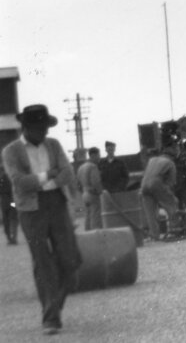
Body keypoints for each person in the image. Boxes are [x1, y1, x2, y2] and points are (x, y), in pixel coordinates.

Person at [1, 104, 83, 335]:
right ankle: (51, 317)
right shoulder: (10, 152)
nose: (45, 131)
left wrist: (43, 181)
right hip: (30, 211)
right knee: (42, 261)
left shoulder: (53, 145)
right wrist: (49, 174)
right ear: (26, 127)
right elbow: (19, 182)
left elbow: (67, 173)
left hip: (57, 203)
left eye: (46, 127)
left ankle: (53, 304)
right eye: (40, 127)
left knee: (71, 259)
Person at [139, 146, 180, 241]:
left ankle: (154, 235)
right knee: (172, 203)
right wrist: (170, 194)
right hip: (156, 183)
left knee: (150, 212)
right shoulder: (170, 163)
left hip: (144, 185)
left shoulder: (152, 160)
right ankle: (174, 230)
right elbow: (171, 182)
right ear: (172, 156)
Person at [77, 147, 103, 230]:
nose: (99, 157)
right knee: (95, 217)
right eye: (98, 155)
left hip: (84, 194)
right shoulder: (93, 167)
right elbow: (96, 182)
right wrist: (101, 192)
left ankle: (87, 234)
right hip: (93, 194)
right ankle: (95, 235)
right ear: (93, 155)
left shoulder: (81, 167)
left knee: (88, 215)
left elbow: (78, 184)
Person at [1, 164, 18, 244]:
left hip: (9, 202)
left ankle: (12, 238)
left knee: (10, 219)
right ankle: (11, 238)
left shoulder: (6, 179)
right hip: (9, 202)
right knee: (10, 220)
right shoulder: (7, 178)